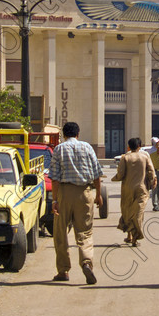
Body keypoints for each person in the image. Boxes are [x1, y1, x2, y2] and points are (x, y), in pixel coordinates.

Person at [50, 121, 104, 284]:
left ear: (64, 135)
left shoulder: (59, 148)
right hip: (84, 193)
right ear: (78, 134)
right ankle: (87, 262)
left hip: (65, 193)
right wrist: (98, 195)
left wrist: (54, 200)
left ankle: (63, 270)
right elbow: (97, 174)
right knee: (85, 231)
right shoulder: (87, 147)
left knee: (60, 232)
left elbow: (55, 178)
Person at [112, 138, 156, 246]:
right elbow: (151, 171)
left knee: (127, 211)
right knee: (138, 212)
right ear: (139, 146)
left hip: (127, 189)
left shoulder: (125, 157)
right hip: (142, 188)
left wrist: (115, 178)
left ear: (129, 146)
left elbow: (121, 174)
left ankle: (129, 235)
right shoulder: (145, 156)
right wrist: (153, 181)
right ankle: (135, 238)